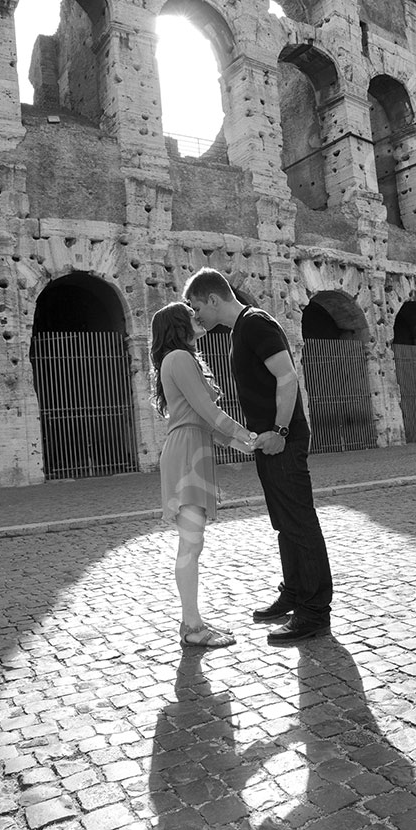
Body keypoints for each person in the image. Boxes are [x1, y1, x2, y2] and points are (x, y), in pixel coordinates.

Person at [183, 268, 333, 645]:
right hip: (268, 442)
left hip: (282, 440)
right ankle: (295, 593)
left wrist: (281, 431)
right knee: (284, 522)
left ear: (213, 299)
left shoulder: (255, 323)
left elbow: (287, 376)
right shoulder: (240, 331)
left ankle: (314, 612)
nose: (195, 314)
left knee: (299, 522)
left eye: (196, 306)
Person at [151, 301, 258, 648]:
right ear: (178, 325)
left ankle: (192, 621)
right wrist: (245, 434)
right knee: (190, 544)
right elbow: (208, 411)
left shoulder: (182, 359)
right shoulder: (179, 359)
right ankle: (192, 627)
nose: (197, 318)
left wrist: (245, 445)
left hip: (193, 448)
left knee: (192, 544)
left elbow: (207, 421)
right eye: (190, 314)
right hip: (186, 453)